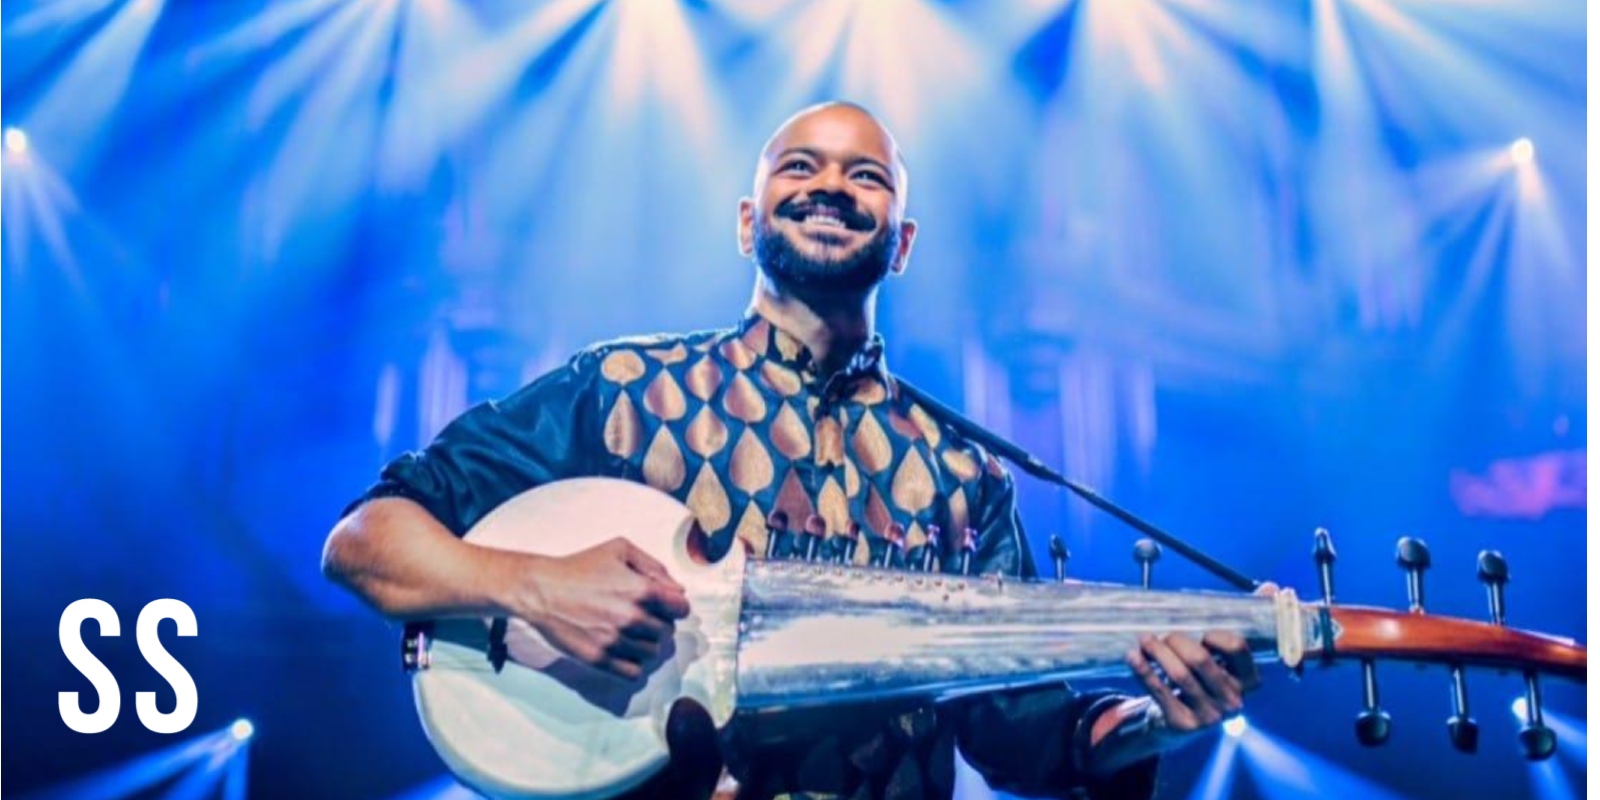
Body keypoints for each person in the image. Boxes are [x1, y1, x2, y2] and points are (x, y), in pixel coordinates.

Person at [323, 101, 1264, 800]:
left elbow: (1019, 740)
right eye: (800, 166)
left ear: (901, 242)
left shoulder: (963, 476)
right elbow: (365, 541)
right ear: (748, 220)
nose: (830, 186)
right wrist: (533, 586)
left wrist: (1156, 723)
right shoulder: (622, 394)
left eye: (868, 176)